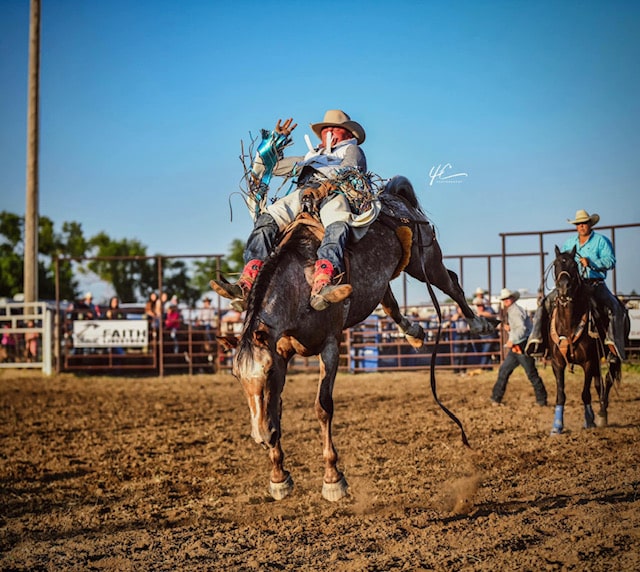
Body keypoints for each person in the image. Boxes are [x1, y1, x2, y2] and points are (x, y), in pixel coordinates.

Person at [211, 109, 368, 312]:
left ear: (348, 135)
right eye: (325, 129)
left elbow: (350, 171)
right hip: (303, 194)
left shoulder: (351, 151)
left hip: (334, 194)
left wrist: (325, 187)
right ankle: (247, 281)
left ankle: (323, 282)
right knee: (269, 218)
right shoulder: (311, 157)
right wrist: (276, 141)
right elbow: (273, 167)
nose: (328, 132)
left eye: (334, 129)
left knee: (337, 223)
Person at [526, 209, 627, 362]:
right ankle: (538, 340)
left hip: (595, 284)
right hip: (572, 286)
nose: (581, 226)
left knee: (615, 307)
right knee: (545, 303)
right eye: (578, 224)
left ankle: (613, 346)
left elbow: (611, 261)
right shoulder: (569, 243)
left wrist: (591, 263)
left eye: (584, 223)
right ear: (576, 226)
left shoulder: (601, 241)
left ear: (590, 224)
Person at [491, 288, 547, 406]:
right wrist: (510, 329)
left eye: (507, 298)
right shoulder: (513, 310)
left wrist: (511, 340)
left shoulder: (515, 311)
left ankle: (541, 399)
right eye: (504, 299)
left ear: (511, 298)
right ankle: (496, 398)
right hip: (519, 345)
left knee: (530, 373)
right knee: (505, 370)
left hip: (521, 345)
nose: (506, 300)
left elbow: (521, 329)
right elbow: (520, 328)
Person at [473, 296, 499, 366]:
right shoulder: (476, 313)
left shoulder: (488, 309)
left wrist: (481, 314)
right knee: (485, 351)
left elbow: (491, 315)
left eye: (481, 305)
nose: (480, 307)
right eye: (478, 306)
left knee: (485, 351)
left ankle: (482, 366)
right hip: (481, 336)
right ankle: (488, 366)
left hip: (489, 336)